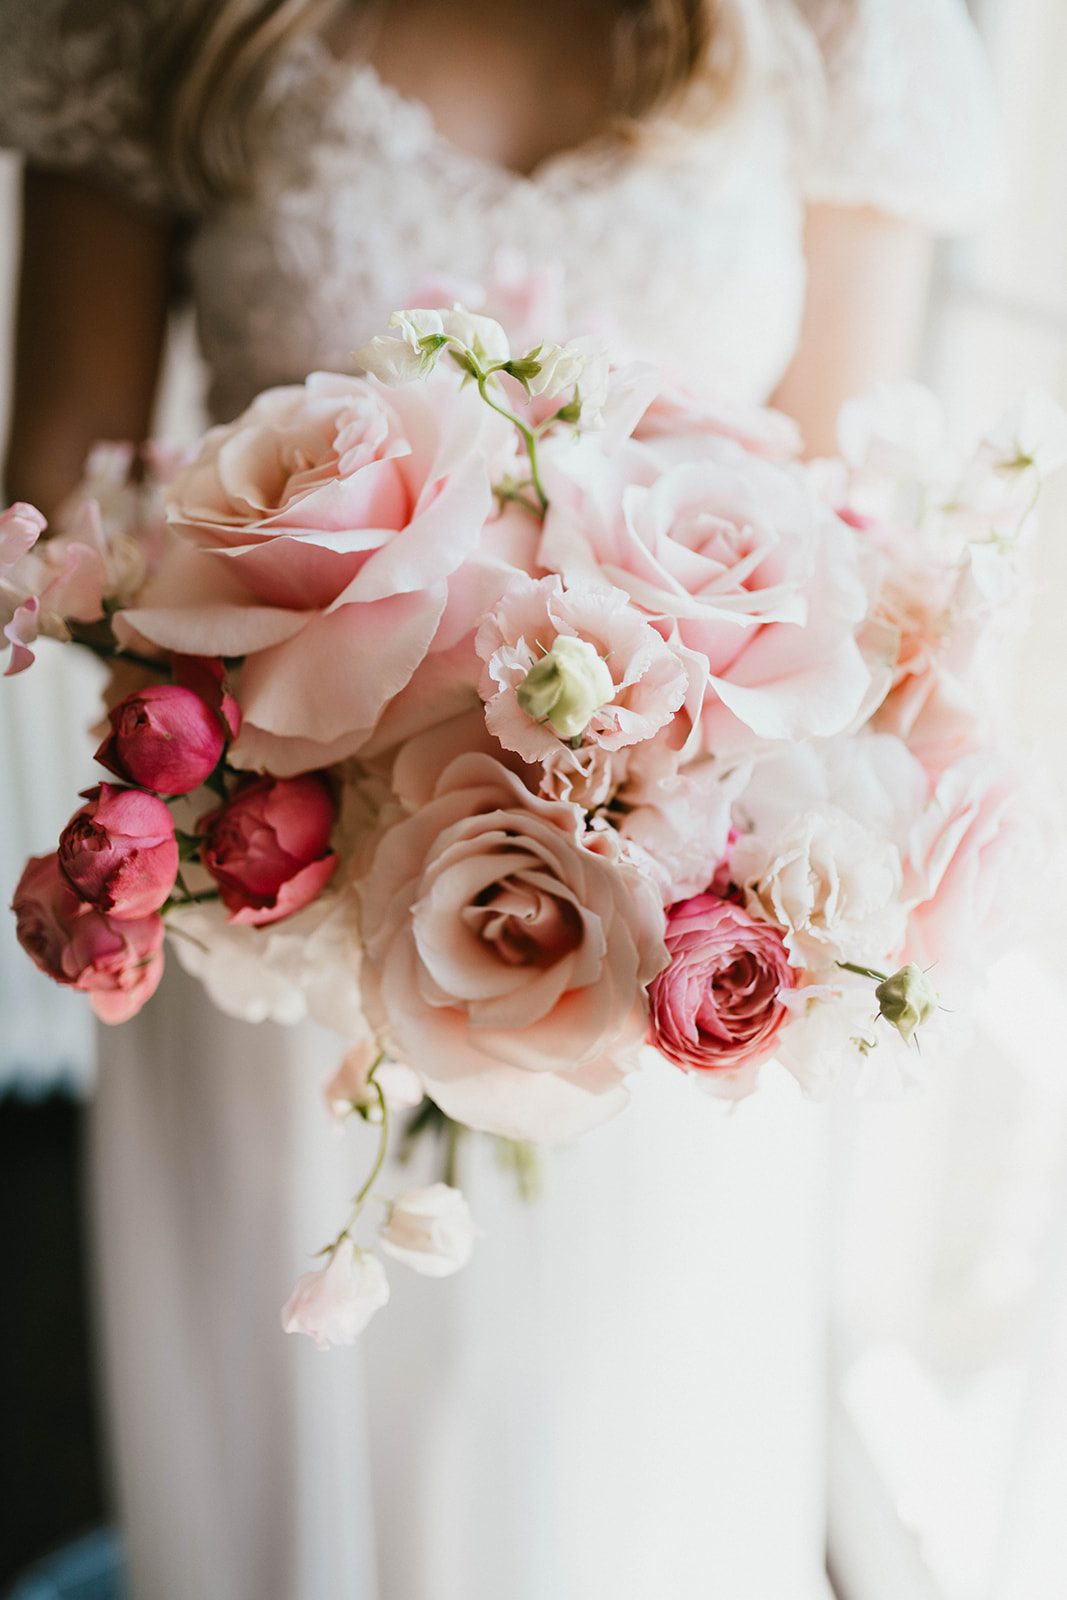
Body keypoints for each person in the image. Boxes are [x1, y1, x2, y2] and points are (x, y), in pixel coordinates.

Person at [0, 2, 999, 1596]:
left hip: (661, 932)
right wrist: (324, 699)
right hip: (282, 925)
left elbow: (842, 527)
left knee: (613, 1486)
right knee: (306, 1471)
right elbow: (54, 488)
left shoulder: (841, 30)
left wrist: (643, 742)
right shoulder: (158, 21)